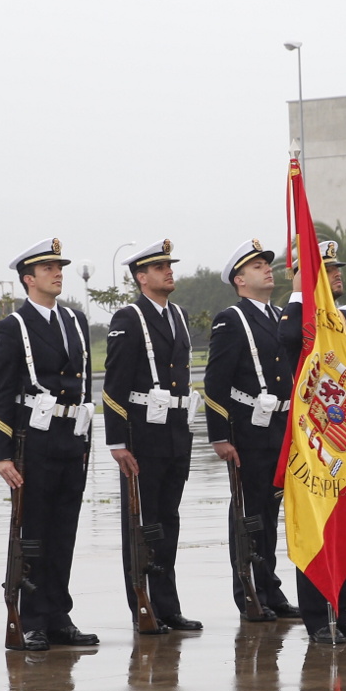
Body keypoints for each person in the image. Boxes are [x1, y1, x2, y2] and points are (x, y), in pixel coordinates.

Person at [0, 238, 100, 651]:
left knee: (63, 531)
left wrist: (86, 437)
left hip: (71, 439)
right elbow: (1, 394)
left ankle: (58, 614)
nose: (58, 273)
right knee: (33, 533)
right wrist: (2, 454)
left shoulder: (75, 321)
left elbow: (84, 385)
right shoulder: (12, 327)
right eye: (48, 268)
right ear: (28, 279)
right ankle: (31, 618)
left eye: (60, 267)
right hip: (32, 442)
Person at [277, 241, 346, 642]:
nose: (338, 274)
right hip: (311, 444)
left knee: (344, 526)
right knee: (314, 529)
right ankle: (318, 620)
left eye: (337, 268)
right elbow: (290, 341)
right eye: (327, 269)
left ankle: (345, 612)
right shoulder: (294, 316)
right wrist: (305, 295)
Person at [102, 239, 203, 634]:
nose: (169, 271)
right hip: (143, 434)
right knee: (142, 524)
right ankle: (143, 607)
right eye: (160, 267)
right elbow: (114, 385)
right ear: (141, 277)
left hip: (176, 432)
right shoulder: (129, 318)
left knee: (168, 521)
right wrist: (117, 443)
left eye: (169, 265)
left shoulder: (177, 314)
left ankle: (168, 605)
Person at [204, 239, 300, 621]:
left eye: (267, 264)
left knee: (270, 513)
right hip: (249, 431)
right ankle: (249, 592)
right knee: (248, 514)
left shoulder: (279, 315)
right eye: (257, 266)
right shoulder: (232, 318)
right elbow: (216, 382)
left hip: (279, 428)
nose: (267, 269)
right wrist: (221, 436)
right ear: (240, 280)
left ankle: (271, 588)